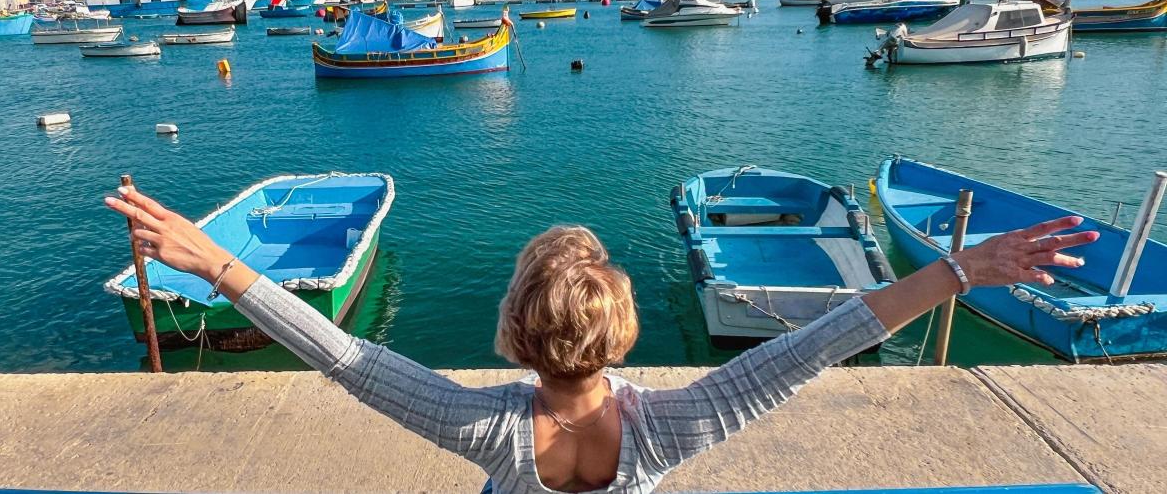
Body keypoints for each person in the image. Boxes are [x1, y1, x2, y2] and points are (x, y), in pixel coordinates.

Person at [105, 185, 1097, 493]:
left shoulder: (481, 427)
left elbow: (343, 355)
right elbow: (824, 341)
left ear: (514, 330)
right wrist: (962, 268)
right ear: (619, 334)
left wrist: (217, 263)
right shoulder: (674, 426)